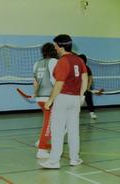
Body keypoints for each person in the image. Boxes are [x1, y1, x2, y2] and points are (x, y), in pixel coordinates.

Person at [39, 34, 88, 169]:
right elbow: (84, 79)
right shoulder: (79, 60)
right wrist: (81, 95)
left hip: (63, 98)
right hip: (75, 99)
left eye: (55, 45)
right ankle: (74, 159)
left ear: (61, 46)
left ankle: (54, 161)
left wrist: (50, 101)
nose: (54, 48)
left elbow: (59, 84)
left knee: (57, 130)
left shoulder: (63, 61)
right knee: (73, 130)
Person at [33, 42, 58, 159]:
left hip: (40, 98)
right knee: (49, 123)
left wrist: (35, 94)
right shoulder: (54, 62)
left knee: (53, 122)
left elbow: (35, 82)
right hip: (49, 98)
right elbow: (56, 81)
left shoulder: (37, 63)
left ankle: (41, 141)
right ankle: (42, 150)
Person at [78, 54, 97, 119]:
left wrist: (88, 87)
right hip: (78, 89)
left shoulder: (87, 68)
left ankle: (92, 114)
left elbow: (90, 78)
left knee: (89, 100)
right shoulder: (76, 68)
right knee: (77, 102)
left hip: (86, 88)